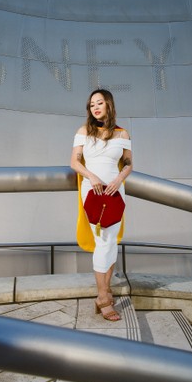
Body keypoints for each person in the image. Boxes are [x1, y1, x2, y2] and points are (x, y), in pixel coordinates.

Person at [70, 89, 133, 321]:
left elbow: (128, 163)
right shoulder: (84, 131)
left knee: (111, 241)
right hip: (93, 190)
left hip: (115, 191)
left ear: (108, 105)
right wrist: (91, 176)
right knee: (102, 241)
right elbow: (74, 161)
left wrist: (118, 179)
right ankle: (103, 297)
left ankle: (104, 294)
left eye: (99, 103)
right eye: (91, 104)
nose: (95, 107)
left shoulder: (122, 133)